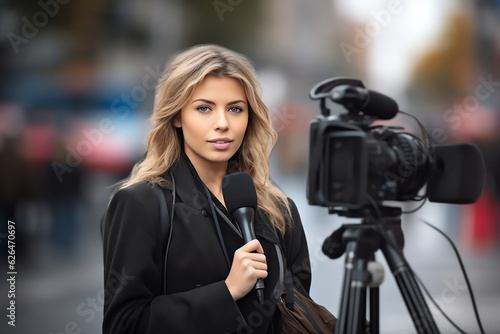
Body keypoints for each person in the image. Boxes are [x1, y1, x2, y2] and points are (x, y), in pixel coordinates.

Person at [102, 44, 312, 333]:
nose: (222, 124)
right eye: (204, 108)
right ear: (177, 116)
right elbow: (124, 325)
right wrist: (226, 291)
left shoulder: (278, 208)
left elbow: (298, 313)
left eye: (235, 109)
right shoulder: (140, 203)